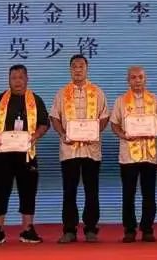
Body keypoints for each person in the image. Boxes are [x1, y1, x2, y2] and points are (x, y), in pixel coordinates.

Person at [0, 64, 50, 245]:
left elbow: (44, 123)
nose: (17, 81)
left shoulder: (36, 100)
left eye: (21, 77)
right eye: (13, 78)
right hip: (2, 153)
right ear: (9, 80)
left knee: (28, 190)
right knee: (0, 190)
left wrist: (36, 135)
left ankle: (28, 229)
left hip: (26, 153)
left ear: (27, 79)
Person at [50, 54, 110, 243]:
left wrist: (94, 132)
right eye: (74, 66)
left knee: (92, 190)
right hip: (69, 150)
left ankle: (91, 229)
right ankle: (69, 230)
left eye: (81, 66)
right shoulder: (62, 93)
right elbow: (54, 117)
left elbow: (105, 117)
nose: (78, 69)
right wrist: (62, 134)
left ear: (86, 68)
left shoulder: (97, 92)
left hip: (91, 150)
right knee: (69, 191)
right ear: (70, 69)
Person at [110, 66, 157, 243]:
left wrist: (155, 131)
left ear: (145, 79)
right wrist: (123, 135)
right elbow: (114, 124)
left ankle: (147, 229)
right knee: (128, 194)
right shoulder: (120, 101)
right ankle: (129, 229)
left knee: (149, 194)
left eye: (140, 77)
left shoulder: (154, 99)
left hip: (149, 154)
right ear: (128, 80)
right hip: (128, 155)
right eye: (133, 77)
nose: (137, 80)